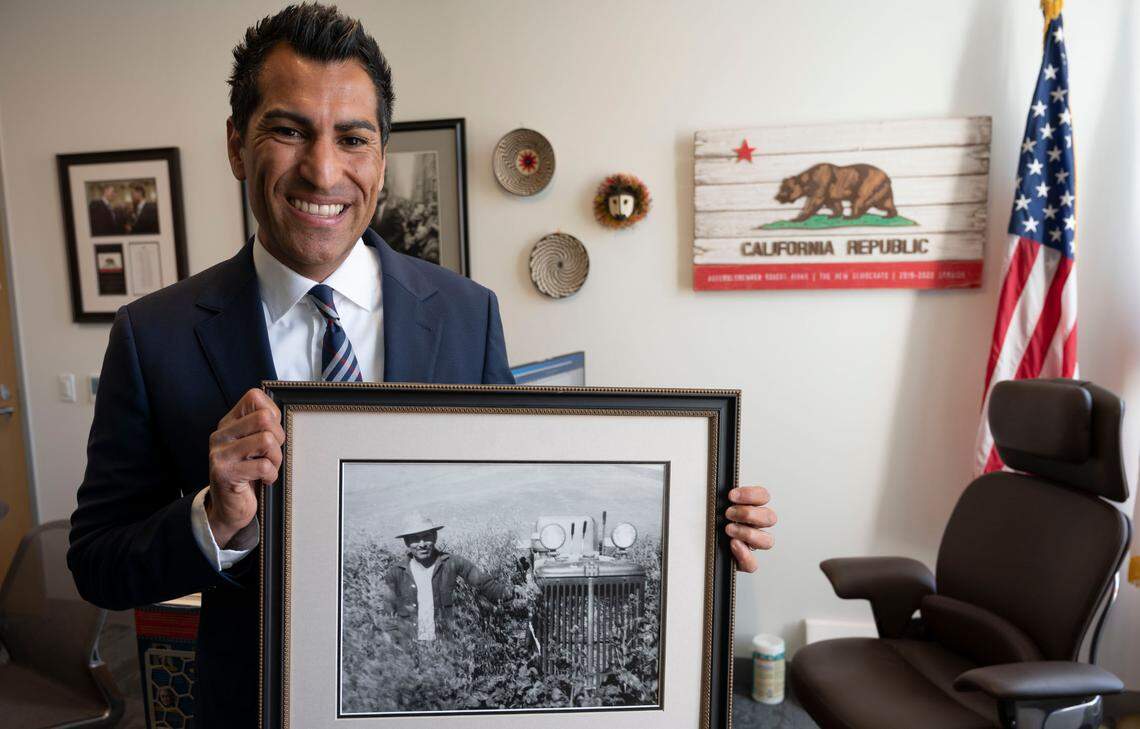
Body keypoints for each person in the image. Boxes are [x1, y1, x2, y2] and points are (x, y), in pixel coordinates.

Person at [67, 5, 775, 725]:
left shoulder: (469, 314)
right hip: (257, 703)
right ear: (236, 146)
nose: (323, 169)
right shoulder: (152, 335)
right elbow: (96, 561)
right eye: (288, 130)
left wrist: (692, 527)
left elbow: (528, 498)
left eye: (353, 138)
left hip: (446, 700)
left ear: (379, 155)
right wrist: (212, 520)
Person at [384, 514, 523, 644]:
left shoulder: (453, 563)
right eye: (415, 539)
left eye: (426, 536)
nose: (422, 544)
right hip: (412, 646)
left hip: (446, 645)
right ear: (407, 542)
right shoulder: (396, 573)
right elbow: (387, 613)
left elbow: (484, 584)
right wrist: (394, 645)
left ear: (434, 537)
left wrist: (516, 593)